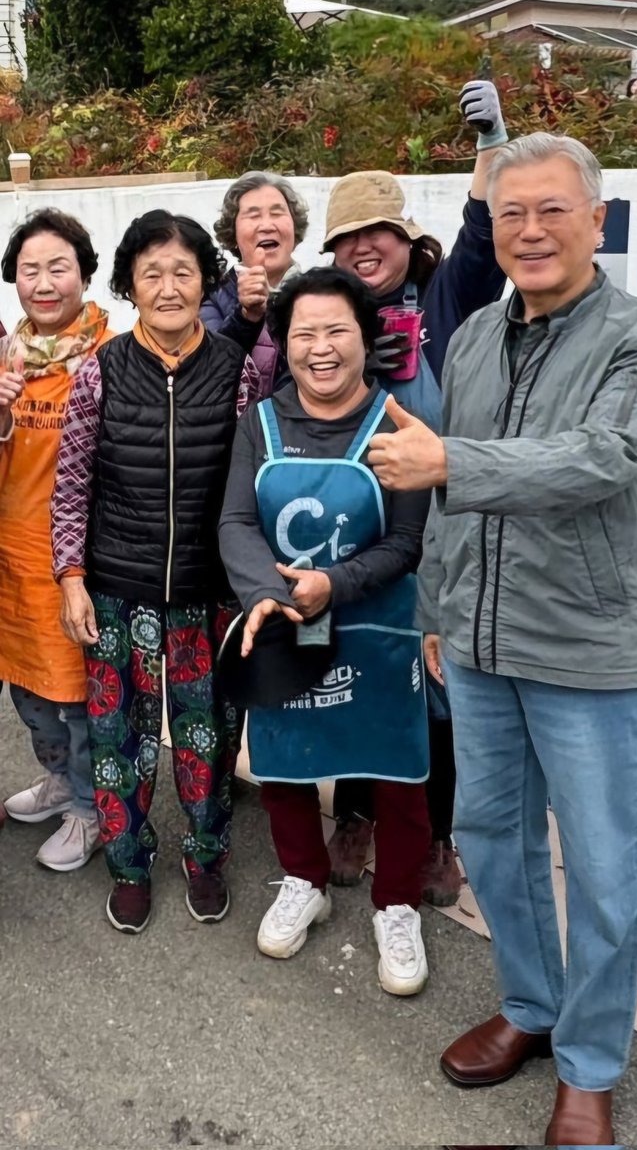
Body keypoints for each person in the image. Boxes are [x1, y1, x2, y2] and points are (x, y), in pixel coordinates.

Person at [366, 132, 637, 1145]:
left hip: (592, 650)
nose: (532, 230)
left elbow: (602, 459)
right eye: (512, 213)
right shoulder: (472, 341)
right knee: (493, 843)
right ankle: (532, 1007)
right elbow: (453, 504)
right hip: (477, 643)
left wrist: (452, 460)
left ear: (598, 220)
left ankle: (591, 1063)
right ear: (492, 230)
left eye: (554, 209)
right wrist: (435, 612)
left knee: (601, 871)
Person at [218, 266, 432, 995]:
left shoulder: (395, 427)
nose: (320, 347)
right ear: (284, 342)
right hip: (282, 625)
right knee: (283, 764)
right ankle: (302, 879)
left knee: (398, 774)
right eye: (303, 332)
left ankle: (396, 902)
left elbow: (406, 545)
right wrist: (263, 593)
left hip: (378, 630)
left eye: (336, 329)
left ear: (365, 339)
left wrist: (330, 586)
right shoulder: (262, 422)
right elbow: (236, 521)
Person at [322, 79, 509, 906]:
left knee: (440, 694)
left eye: (378, 233)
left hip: (438, 536)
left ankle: (438, 839)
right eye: (347, 238)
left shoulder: (443, 300)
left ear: (404, 238)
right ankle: (355, 817)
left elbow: (479, 235)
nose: (364, 248)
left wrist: (489, 144)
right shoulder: (329, 316)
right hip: (357, 533)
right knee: (361, 675)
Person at [51, 210, 261, 934]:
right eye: (151, 274)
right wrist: (70, 576)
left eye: (183, 272)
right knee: (120, 739)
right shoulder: (100, 371)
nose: (168, 287)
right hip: (117, 592)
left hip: (210, 594)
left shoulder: (239, 371)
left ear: (205, 282)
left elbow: (258, 482)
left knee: (208, 738)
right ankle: (129, 865)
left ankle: (205, 856)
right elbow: (72, 482)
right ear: (130, 286)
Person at [0, 210, 114, 872]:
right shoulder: (6, 355)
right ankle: (60, 782)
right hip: (11, 556)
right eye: (28, 270)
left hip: (74, 561)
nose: (43, 282)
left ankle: (89, 808)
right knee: (26, 689)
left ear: (83, 274)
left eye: (57, 267)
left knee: (75, 695)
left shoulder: (108, 353)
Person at [201, 170, 309, 398]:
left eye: (277, 213)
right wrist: (246, 316)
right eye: (253, 216)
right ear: (234, 235)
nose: (267, 225)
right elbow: (208, 374)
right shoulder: (210, 297)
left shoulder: (321, 292)